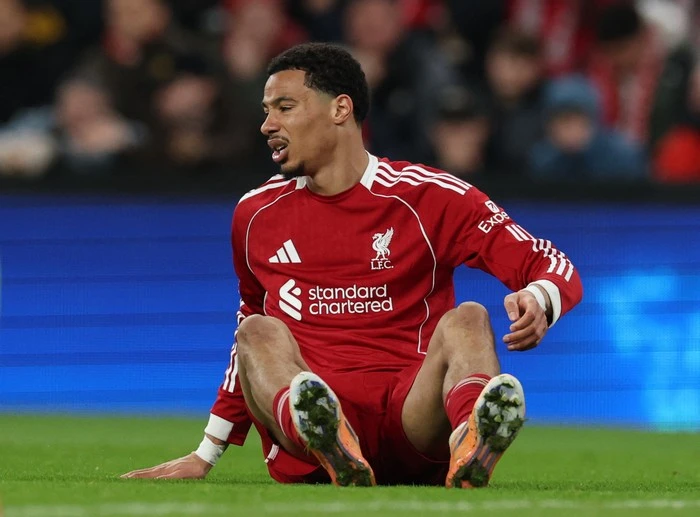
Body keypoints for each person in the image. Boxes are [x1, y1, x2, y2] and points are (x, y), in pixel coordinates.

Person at [122, 42, 583, 487]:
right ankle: (329, 435)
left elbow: (546, 260)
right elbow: (247, 334)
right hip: (310, 418)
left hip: (412, 416)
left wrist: (540, 297)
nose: (267, 125)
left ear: (340, 109)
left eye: (284, 107)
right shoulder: (255, 214)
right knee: (256, 331)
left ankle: (471, 440)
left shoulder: (430, 197)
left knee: (470, 319)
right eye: (266, 110)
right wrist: (207, 451)